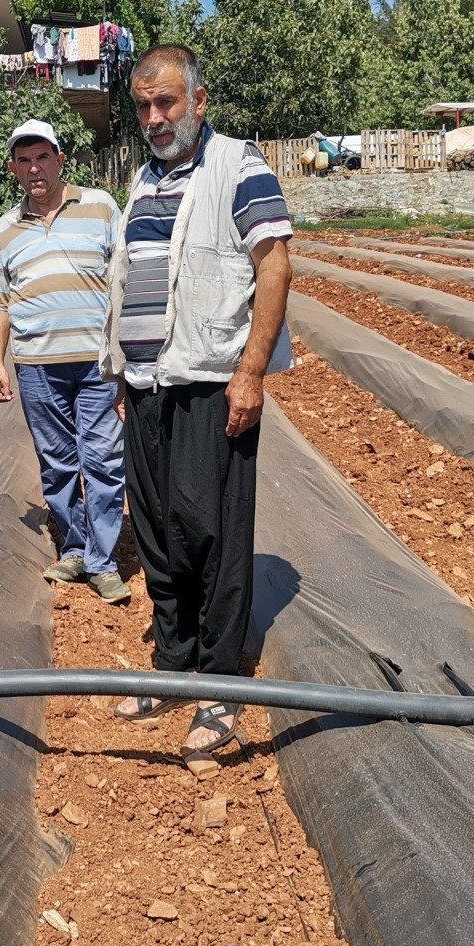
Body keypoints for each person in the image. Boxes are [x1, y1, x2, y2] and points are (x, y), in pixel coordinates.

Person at [100, 45, 294, 760]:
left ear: (199, 101)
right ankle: (172, 666)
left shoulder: (237, 167)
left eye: (166, 103)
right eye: (144, 106)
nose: (154, 117)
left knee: (212, 537)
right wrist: (122, 368)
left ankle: (219, 689)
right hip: (148, 384)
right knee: (157, 530)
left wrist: (252, 372)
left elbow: (273, 265)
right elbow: (132, 280)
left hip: (212, 385)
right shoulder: (144, 179)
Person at [0, 118, 130, 604]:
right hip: (37, 366)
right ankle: (73, 547)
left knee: (104, 460)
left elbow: (123, 283)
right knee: (58, 464)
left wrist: (127, 357)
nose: (34, 168)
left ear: (61, 159)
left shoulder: (100, 207)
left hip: (95, 362)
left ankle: (103, 560)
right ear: (13, 169)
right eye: (23, 161)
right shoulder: (7, 227)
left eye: (42, 156)